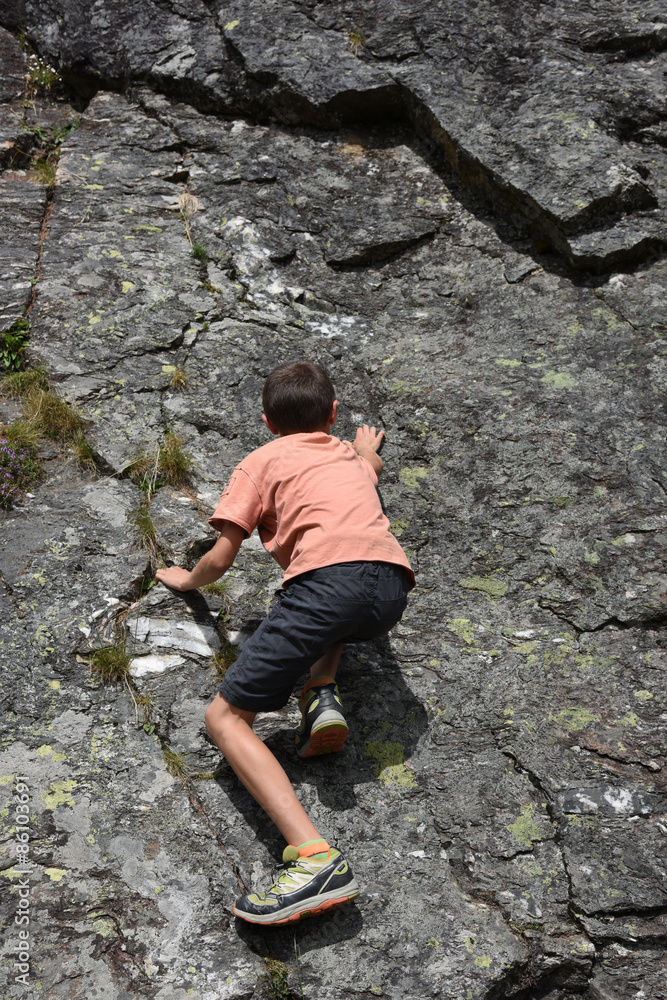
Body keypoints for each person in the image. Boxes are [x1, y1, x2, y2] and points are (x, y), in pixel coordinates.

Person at [156, 360, 414, 926]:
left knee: (224, 718)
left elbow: (221, 557)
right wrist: (368, 448)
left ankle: (316, 859)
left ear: (267, 421)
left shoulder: (260, 461)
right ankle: (322, 691)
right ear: (334, 415)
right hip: (390, 590)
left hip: (327, 587)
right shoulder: (347, 454)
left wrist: (185, 579)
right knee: (332, 609)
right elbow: (366, 467)